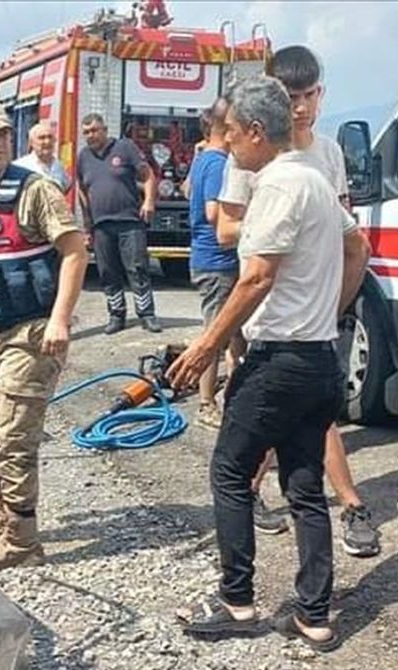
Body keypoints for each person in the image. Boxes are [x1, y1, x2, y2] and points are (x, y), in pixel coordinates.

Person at [167, 75, 349, 651]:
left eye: (229, 136)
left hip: (278, 359)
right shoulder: (317, 181)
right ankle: (314, 614)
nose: (225, 147)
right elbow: (359, 248)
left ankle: (237, 600)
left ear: (254, 131)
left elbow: (257, 276)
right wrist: (330, 308)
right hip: (319, 354)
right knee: (304, 486)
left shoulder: (275, 185)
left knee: (229, 471)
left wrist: (206, 347)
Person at [217, 45, 378, 555]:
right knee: (280, 429)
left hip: (313, 313)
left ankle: (347, 507)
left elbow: (351, 236)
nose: (301, 106)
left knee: (293, 423)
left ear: (320, 94)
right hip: (266, 315)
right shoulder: (248, 155)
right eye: (291, 97)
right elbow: (227, 231)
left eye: (309, 95)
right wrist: (292, 225)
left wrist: (335, 304)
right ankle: (259, 501)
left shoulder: (328, 153)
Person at [0, 100, 89, 571]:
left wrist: (61, 319)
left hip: (32, 332)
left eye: (4, 133)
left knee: (11, 439)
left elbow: (74, 251)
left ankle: (23, 542)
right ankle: (4, 513)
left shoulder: (35, 191)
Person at [186, 99, 245, 430]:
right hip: (216, 262)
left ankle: (231, 397)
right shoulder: (218, 162)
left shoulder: (202, 159)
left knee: (234, 335)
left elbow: (185, 191)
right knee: (214, 335)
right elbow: (212, 212)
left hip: (212, 259)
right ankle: (206, 404)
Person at [76, 113, 162, 334]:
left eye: (94, 130)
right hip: (101, 225)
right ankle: (116, 315)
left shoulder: (125, 148)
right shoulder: (83, 157)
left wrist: (150, 202)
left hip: (130, 221)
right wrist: (87, 225)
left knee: (137, 268)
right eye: (86, 132)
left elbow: (148, 175)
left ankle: (147, 314)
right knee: (107, 272)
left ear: (105, 129)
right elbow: (82, 191)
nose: (90, 135)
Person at [15, 121, 71, 191]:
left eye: (50, 137)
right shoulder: (20, 166)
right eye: (42, 138)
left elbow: (66, 187)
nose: (47, 141)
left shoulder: (58, 166)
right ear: (31, 143)